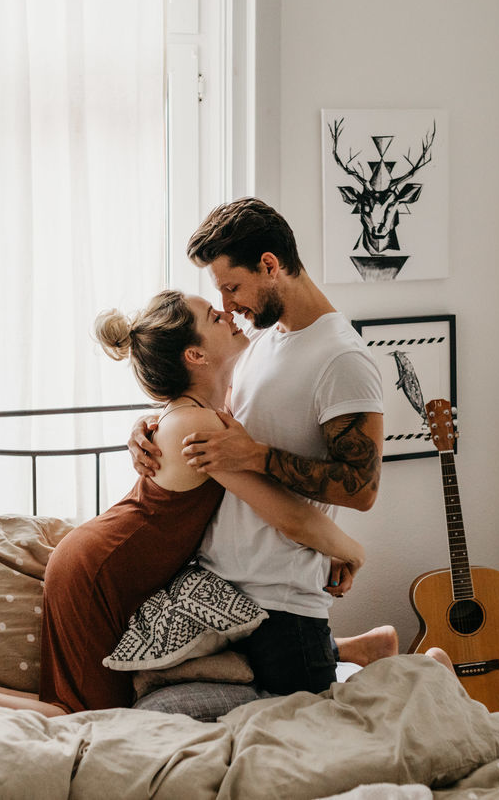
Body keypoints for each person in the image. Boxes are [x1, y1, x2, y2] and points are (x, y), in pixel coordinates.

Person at [0, 289, 371, 740]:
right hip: (99, 573)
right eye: (215, 316)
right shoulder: (195, 426)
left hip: (105, 563)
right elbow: (288, 515)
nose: (230, 314)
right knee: (86, 720)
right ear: (194, 354)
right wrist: (350, 549)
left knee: (80, 705)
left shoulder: (204, 412)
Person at [130, 198, 391, 697]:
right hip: (223, 593)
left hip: (286, 604)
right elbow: (216, 420)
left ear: (270, 266)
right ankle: (360, 650)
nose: (228, 306)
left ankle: (427, 671)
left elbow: (361, 489)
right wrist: (148, 427)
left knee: (308, 740)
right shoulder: (261, 341)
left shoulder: (343, 359)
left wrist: (257, 456)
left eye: (232, 287)